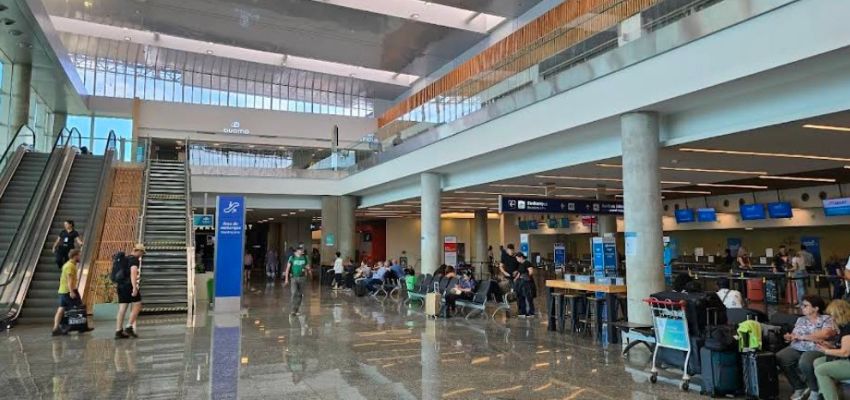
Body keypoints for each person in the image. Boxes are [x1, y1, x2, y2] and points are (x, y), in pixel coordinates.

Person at [776, 295, 838, 400]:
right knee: (781, 356)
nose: (802, 307)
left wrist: (803, 337)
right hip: (798, 346)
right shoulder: (801, 319)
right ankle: (799, 386)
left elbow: (826, 334)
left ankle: (814, 389)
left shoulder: (826, 319)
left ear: (816, 308)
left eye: (805, 305)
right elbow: (795, 334)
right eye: (802, 305)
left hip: (818, 348)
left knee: (805, 361)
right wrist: (790, 337)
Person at [813, 299, 850, 400]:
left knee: (821, 370)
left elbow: (845, 352)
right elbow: (843, 347)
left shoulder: (848, 328)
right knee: (818, 362)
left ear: (839, 313)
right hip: (845, 359)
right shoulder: (843, 327)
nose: (831, 318)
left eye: (832, 315)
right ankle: (823, 394)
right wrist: (829, 346)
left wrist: (826, 351)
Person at [52, 249, 87, 336]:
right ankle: (81, 327)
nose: (80, 257)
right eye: (79, 255)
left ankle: (55, 328)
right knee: (78, 307)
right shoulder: (70, 266)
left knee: (61, 309)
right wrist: (71, 291)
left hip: (62, 291)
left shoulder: (68, 265)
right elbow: (69, 280)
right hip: (68, 291)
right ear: (75, 256)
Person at [116, 244, 145, 339]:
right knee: (138, 304)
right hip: (129, 286)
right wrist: (134, 287)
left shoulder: (125, 259)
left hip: (120, 286)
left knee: (122, 309)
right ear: (138, 251)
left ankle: (118, 331)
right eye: (142, 252)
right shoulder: (134, 260)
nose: (142, 255)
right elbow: (133, 273)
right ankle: (129, 326)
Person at [284, 246, 311, 316]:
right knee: (294, 293)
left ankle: (296, 309)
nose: (302, 251)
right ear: (297, 251)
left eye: (303, 250)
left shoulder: (305, 257)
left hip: (302, 278)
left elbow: (308, 266)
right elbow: (287, 269)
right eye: (301, 250)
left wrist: (307, 269)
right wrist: (286, 279)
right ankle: (293, 310)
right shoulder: (292, 258)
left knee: (300, 294)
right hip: (294, 278)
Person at [514, 253, 536, 318]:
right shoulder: (520, 264)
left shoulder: (527, 263)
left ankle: (531, 312)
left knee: (529, 297)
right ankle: (523, 312)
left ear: (521, 257)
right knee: (521, 296)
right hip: (521, 282)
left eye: (517, 258)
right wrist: (516, 278)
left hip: (527, 283)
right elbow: (519, 272)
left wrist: (526, 276)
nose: (517, 260)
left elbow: (531, 271)